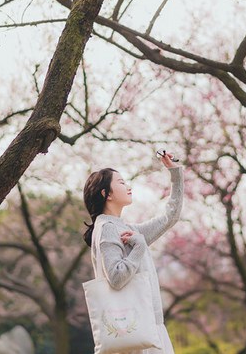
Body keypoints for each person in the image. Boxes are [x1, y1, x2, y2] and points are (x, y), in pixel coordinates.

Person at [82, 151, 184, 354]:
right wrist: (139, 247)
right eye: (121, 182)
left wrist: (175, 173)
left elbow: (170, 217)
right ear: (106, 194)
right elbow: (117, 277)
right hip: (137, 334)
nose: (128, 186)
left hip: (145, 329)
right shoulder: (108, 228)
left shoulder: (125, 229)